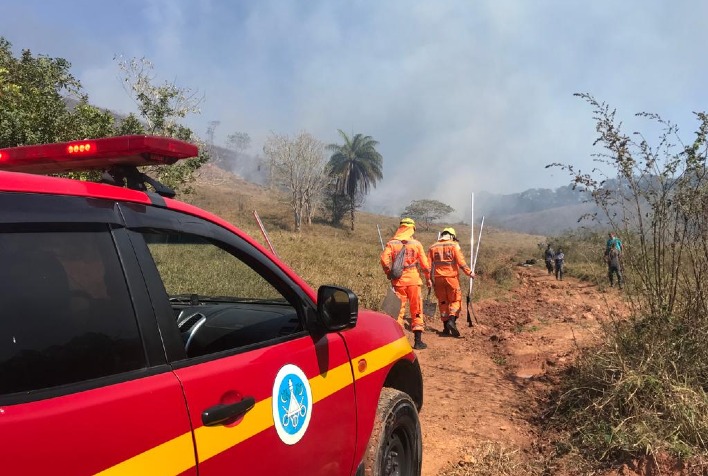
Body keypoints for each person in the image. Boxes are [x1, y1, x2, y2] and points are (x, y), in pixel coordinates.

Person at [380, 217, 432, 350]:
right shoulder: (416, 244)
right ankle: (418, 341)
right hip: (414, 281)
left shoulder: (392, 244)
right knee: (417, 309)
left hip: (398, 282)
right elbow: (425, 265)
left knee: (398, 310)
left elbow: (384, 260)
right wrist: (428, 278)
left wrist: (388, 273)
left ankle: (397, 342)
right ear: (411, 229)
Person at [428, 227, 475, 338]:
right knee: (455, 300)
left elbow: (428, 266)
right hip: (451, 278)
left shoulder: (432, 247)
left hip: (438, 279)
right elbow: (461, 262)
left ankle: (445, 327)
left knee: (443, 302)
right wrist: (470, 273)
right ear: (452, 236)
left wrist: (428, 279)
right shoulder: (454, 245)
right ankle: (452, 321)